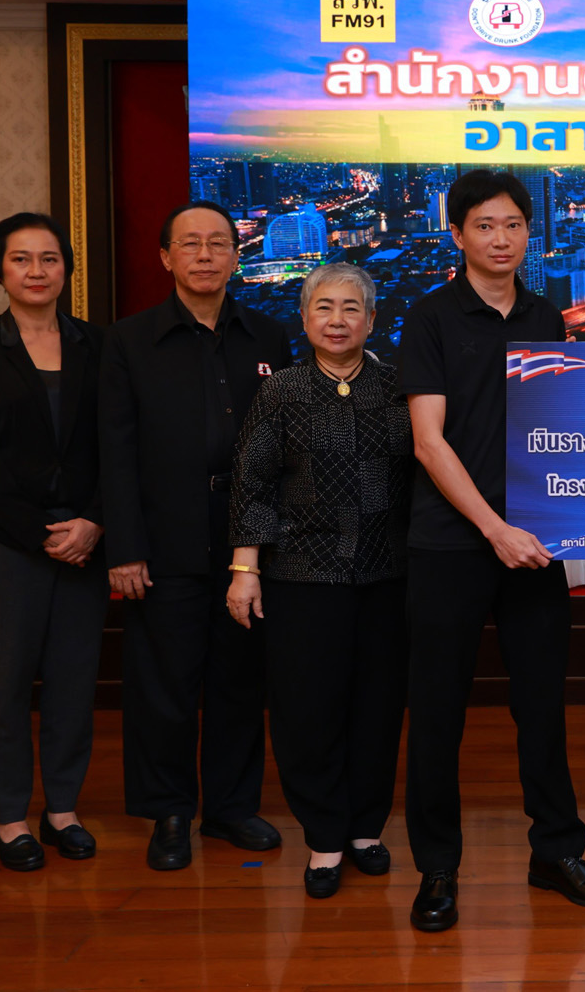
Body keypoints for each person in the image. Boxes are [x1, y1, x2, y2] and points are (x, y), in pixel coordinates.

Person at [399, 169, 585, 933]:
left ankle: (555, 850)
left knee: (542, 706)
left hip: (534, 542)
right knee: (437, 712)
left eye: (513, 225)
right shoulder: (430, 316)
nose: (500, 238)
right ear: (457, 234)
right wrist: (494, 528)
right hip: (450, 543)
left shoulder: (544, 314)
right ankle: (437, 867)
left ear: (530, 232)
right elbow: (428, 442)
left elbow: (555, 426)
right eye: (484, 225)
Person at [100, 201, 294, 870]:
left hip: (248, 539)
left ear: (237, 256)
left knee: (240, 677)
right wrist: (125, 547)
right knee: (165, 684)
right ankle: (170, 811)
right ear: (166, 257)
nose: (205, 255)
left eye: (218, 243)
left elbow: (284, 448)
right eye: (190, 244)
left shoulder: (268, 335)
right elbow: (115, 452)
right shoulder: (129, 341)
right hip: (165, 533)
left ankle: (232, 807)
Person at [225, 263, 412, 899]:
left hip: (387, 576)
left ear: (372, 320)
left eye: (351, 308)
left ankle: (366, 829)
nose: (337, 320)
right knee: (307, 711)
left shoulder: (396, 388)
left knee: (378, 708)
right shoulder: (282, 390)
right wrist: (245, 570)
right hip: (301, 575)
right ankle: (325, 836)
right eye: (324, 308)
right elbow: (253, 483)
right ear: (304, 319)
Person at [0, 212, 106, 872]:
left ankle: (62, 809)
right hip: (5, 545)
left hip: (85, 541)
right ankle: (9, 818)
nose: (37, 271)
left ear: (66, 269)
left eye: (49, 258)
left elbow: (120, 441)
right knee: (3, 687)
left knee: (73, 684)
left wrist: (93, 520)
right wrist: (39, 533)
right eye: (21, 259)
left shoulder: (99, 345)